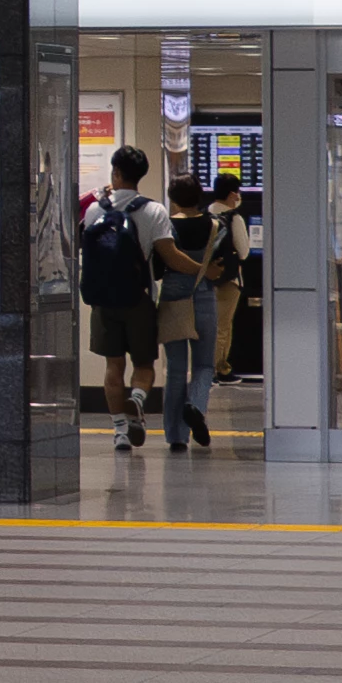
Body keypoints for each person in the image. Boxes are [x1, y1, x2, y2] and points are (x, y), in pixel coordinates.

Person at [83, 149, 161, 447]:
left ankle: (119, 433)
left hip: (103, 300)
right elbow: (166, 253)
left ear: (115, 173)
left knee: (113, 367)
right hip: (139, 300)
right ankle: (138, 399)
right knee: (144, 365)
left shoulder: (94, 211)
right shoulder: (154, 211)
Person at [154, 183, 225, 455]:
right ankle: (194, 406)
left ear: (172, 198)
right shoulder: (216, 225)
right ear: (199, 196)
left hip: (173, 297)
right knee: (205, 364)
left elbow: (160, 264)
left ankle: (176, 436)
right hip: (204, 296)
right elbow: (225, 263)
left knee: (175, 368)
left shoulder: (166, 227)